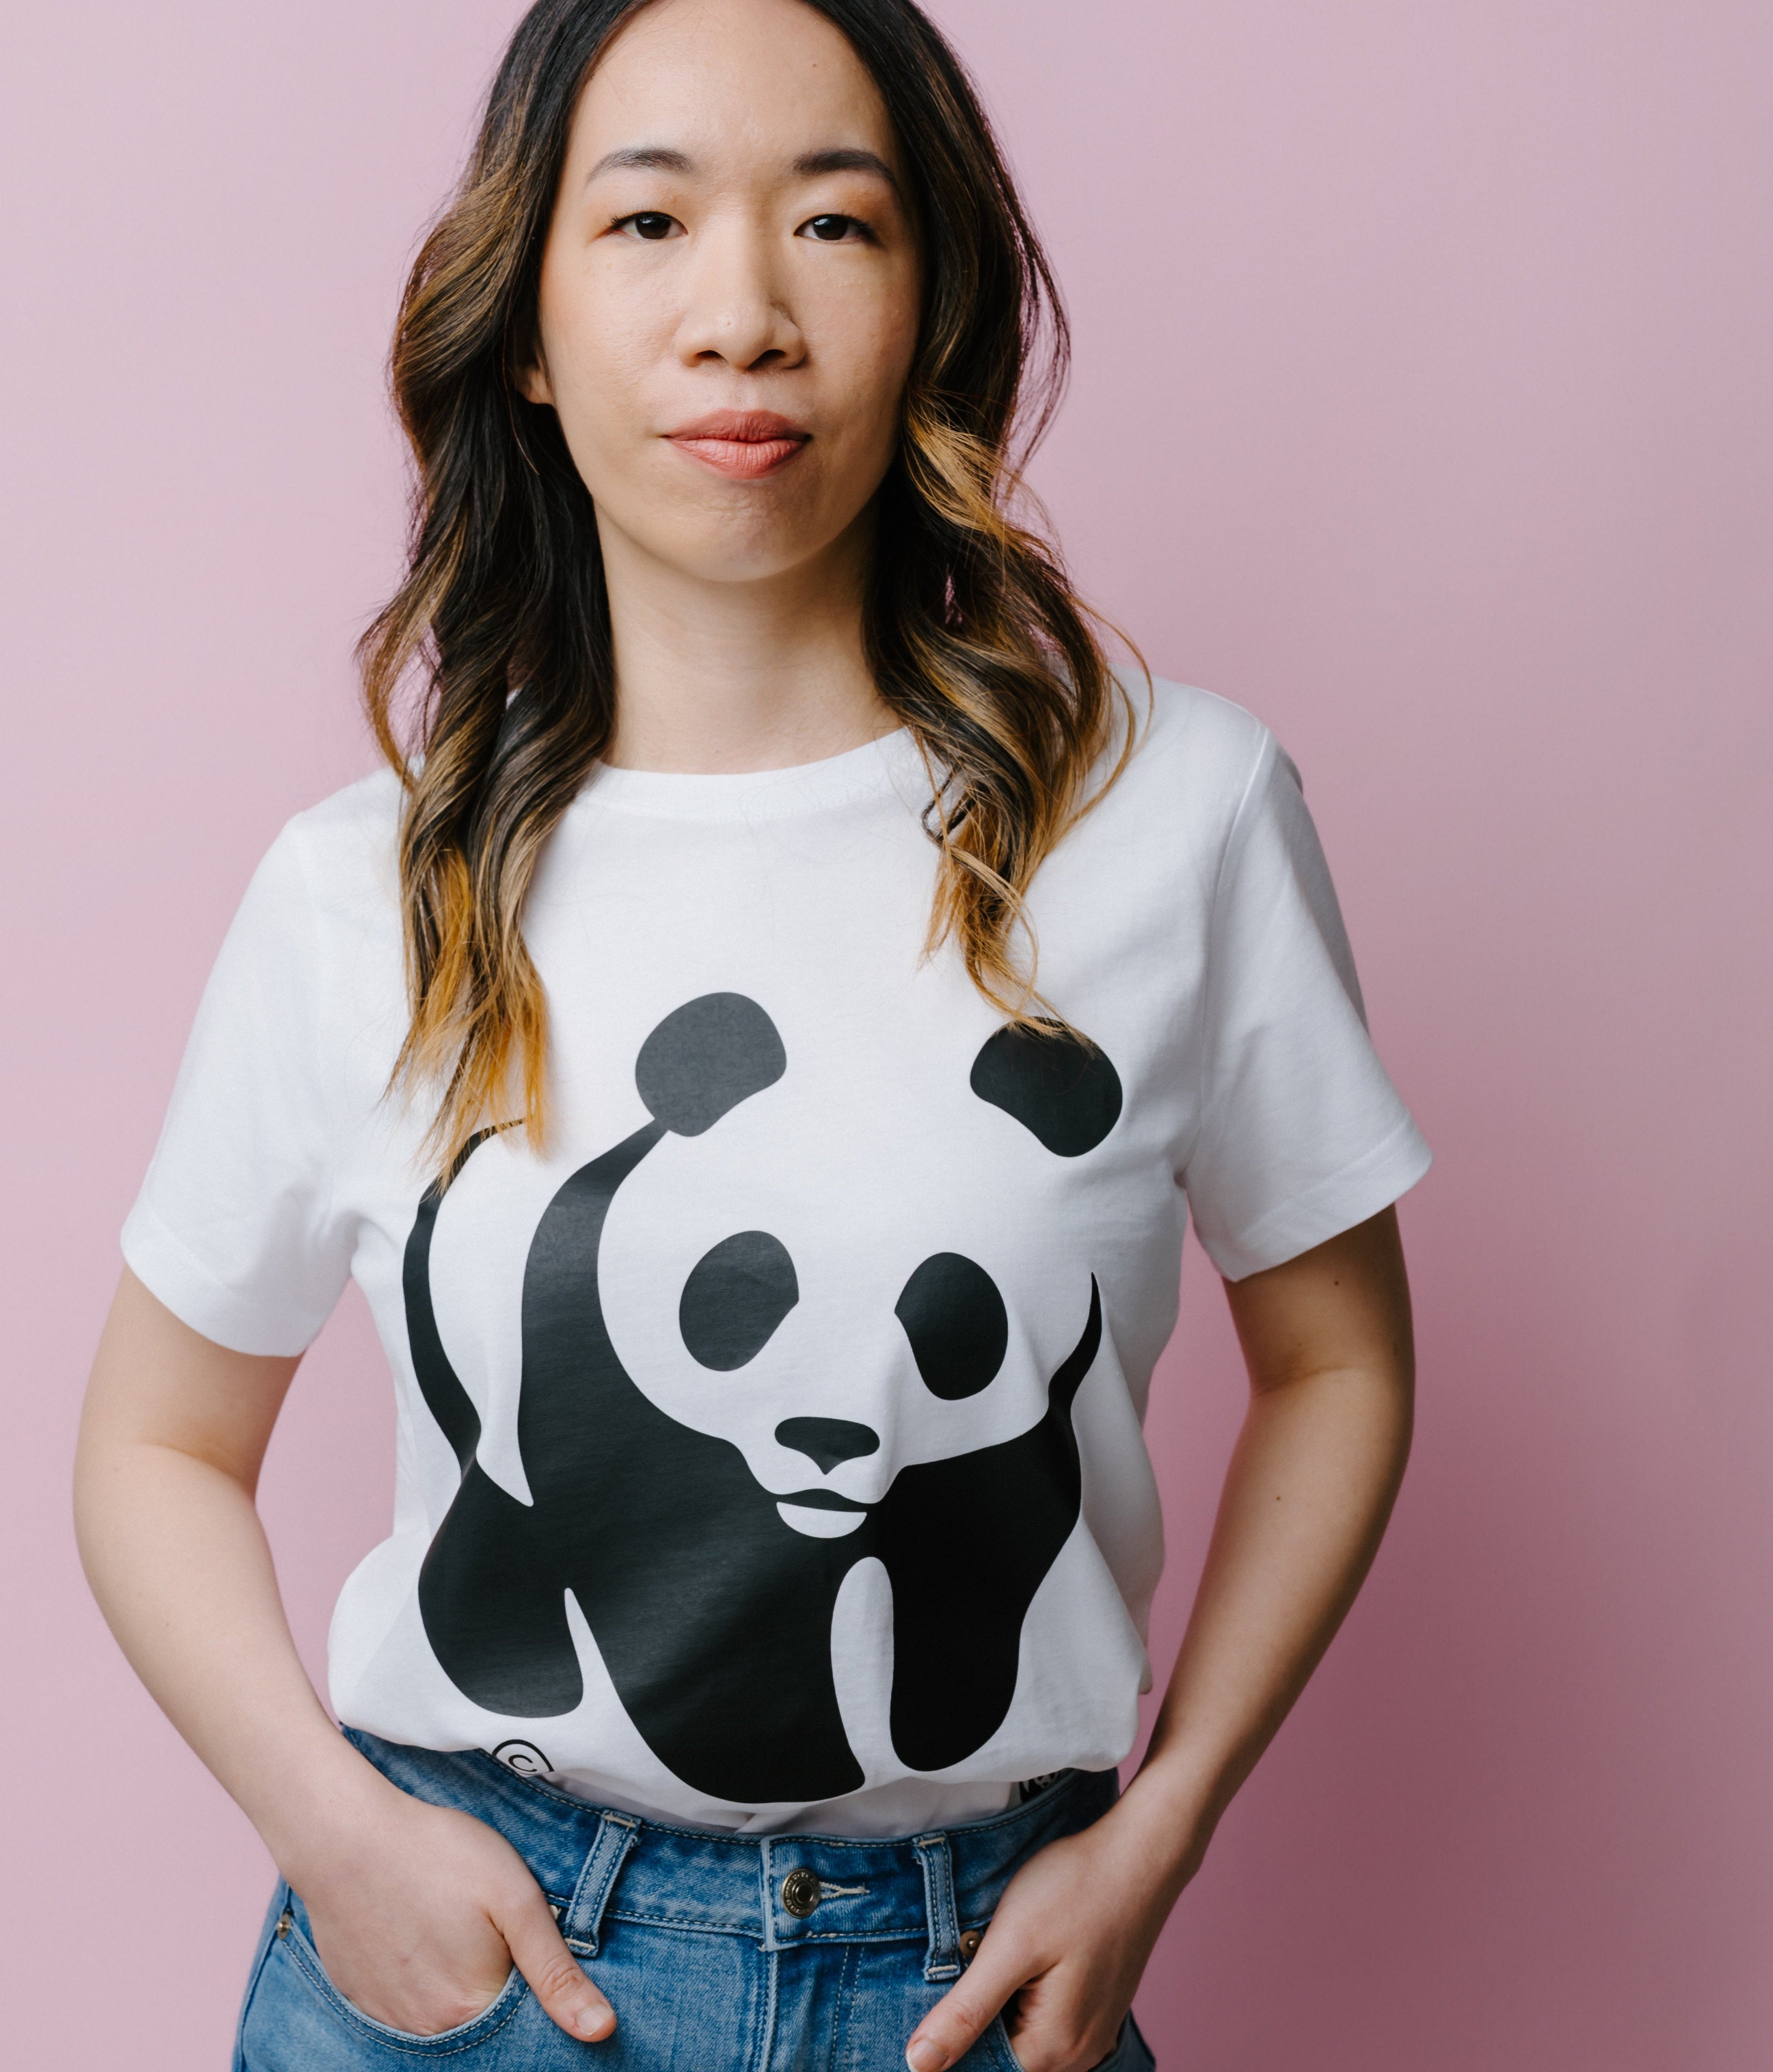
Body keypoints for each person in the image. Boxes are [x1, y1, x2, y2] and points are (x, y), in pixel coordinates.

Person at [73, 1, 1429, 2066]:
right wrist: (329, 1831)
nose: (742, 315)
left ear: (931, 297)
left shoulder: (1177, 819)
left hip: (975, 1978)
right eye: (645, 223)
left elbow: (1336, 1362)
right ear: (523, 321)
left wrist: (1168, 1822)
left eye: (836, 224)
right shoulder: (368, 891)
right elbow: (155, 1443)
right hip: (485, 1969)